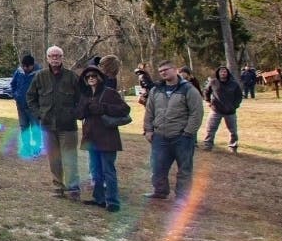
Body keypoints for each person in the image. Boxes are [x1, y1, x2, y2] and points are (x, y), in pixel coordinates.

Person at [143, 60, 203, 201]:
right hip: (160, 136)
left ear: (175, 70)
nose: (163, 72)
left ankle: (182, 197)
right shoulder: (156, 90)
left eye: (166, 69)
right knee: (157, 166)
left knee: (184, 170)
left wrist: (188, 132)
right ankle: (160, 191)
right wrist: (148, 130)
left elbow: (197, 113)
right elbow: (149, 111)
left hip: (181, 137)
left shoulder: (188, 89)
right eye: (161, 71)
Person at [26, 46, 81, 200]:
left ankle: (73, 188)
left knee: (70, 157)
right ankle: (58, 186)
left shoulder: (72, 77)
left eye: (58, 56)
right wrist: (39, 114)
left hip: (68, 126)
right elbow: (30, 97)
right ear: (47, 58)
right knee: (53, 158)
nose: (55, 59)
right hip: (48, 125)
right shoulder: (40, 76)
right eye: (52, 56)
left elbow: (82, 98)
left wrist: (75, 113)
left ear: (62, 58)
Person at [76, 65, 130, 212]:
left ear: (99, 77)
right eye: (87, 76)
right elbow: (79, 114)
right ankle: (98, 198)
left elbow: (125, 109)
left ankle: (113, 201)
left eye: (93, 75)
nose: (91, 78)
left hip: (107, 138)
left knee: (108, 171)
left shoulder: (109, 93)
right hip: (91, 138)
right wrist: (85, 108)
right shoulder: (85, 95)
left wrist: (104, 108)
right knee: (95, 171)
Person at [203, 66, 242, 153]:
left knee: (233, 131)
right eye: (221, 72)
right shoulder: (213, 82)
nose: (223, 73)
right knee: (210, 128)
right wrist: (208, 101)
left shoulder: (234, 84)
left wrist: (235, 105)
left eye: (225, 72)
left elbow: (239, 96)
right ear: (218, 73)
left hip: (230, 111)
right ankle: (207, 145)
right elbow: (206, 91)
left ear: (227, 73)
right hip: (216, 110)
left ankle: (233, 146)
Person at [10, 54, 42, 158]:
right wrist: (16, 95)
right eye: (23, 66)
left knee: (35, 128)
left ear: (32, 65)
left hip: (34, 107)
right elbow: (13, 84)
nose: (25, 68)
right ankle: (26, 148)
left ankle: (36, 149)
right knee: (24, 127)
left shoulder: (39, 74)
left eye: (27, 66)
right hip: (21, 105)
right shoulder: (19, 72)